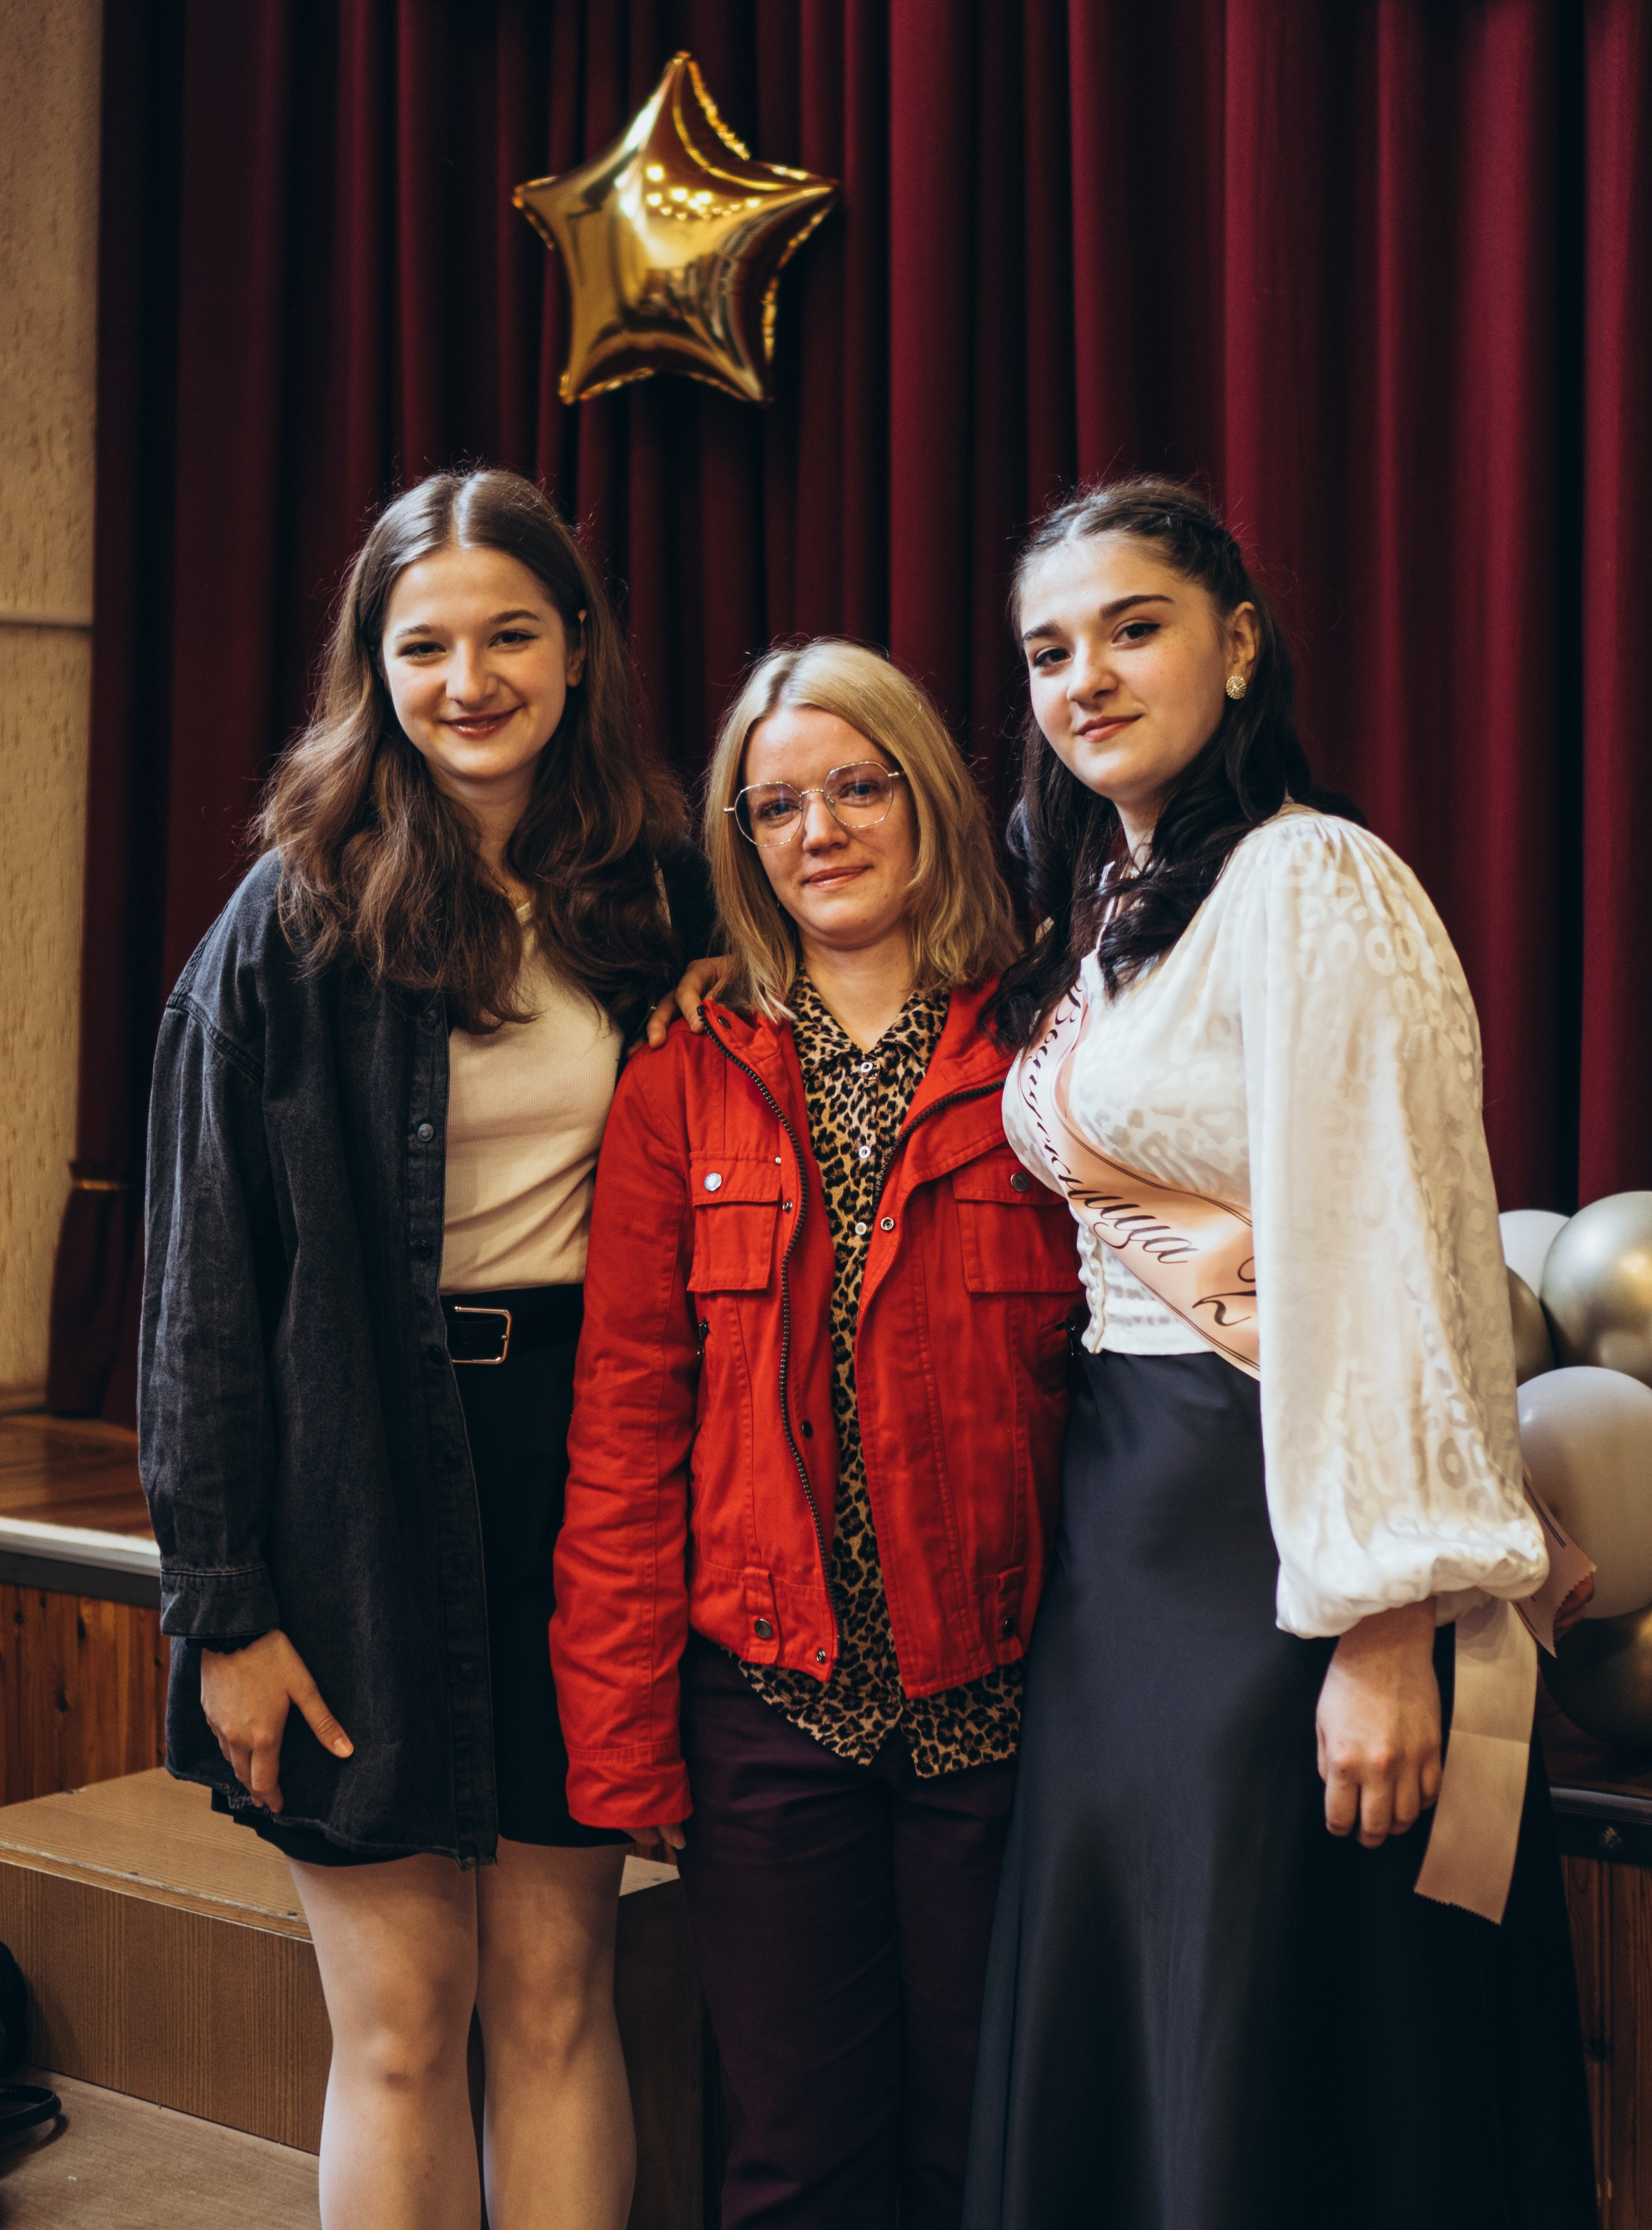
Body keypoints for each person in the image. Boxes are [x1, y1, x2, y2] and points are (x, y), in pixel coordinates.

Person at [962, 477, 1598, 2230]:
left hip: (1277, 1534)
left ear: (1239, 647)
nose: (1085, 676)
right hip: (1126, 1531)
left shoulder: (1314, 876)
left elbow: (1390, 1243)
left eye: (1134, 627)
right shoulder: (1118, 903)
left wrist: (1384, 1627)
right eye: (1047, 650)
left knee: (1276, 2005)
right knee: (1159, 1993)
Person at [139, 467, 714, 2230]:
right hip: (351, 1479)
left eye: (510, 636)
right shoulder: (292, 916)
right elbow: (202, 1290)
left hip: (584, 1478)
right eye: (427, 645)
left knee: (556, 1998)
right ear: (371, 668)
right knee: (400, 2029)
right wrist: (222, 1608)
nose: (471, 679)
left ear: (577, 650)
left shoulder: (664, 902)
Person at [550, 640, 1082, 2230]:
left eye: (858, 788)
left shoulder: (1053, 1046)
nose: (819, 831)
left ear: (928, 796)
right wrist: (623, 1724)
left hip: (1009, 1706)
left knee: (988, 2145)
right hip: (770, 1709)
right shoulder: (684, 1073)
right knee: (794, 2159)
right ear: (738, 839)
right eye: (775, 805)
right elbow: (626, 1423)